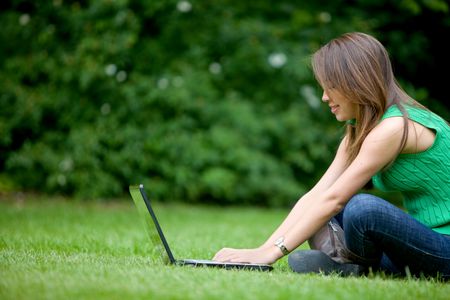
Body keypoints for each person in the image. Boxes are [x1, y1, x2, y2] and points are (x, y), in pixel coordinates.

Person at [213, 32, 450, 279]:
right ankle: (353, 265)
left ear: (357, 81)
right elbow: (319, 194)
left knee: (363, 208)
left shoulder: (395, 128)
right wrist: (261, 251)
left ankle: (352, 265)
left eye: (331, 86)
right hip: (422, 243)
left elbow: (335, 198)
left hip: (445, 249)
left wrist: (272, 254)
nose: (325, 96)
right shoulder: (360, 130)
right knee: (316, 208)